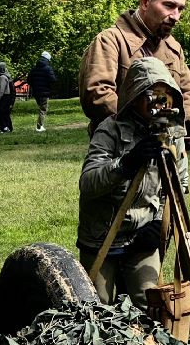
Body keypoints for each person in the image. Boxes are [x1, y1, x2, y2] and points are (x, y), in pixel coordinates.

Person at [79, 0, 190, 191]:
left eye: (180, 9)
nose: (176, 16)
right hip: (118, 159)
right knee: (116, 224)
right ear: (145, 2)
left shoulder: (174, 49)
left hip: (163, 161)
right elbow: (97, 94)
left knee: (161, 222)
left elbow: (189, 92)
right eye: (169, 6)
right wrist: (145, 124)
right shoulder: (110, 41)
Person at [77, 57, 183, 307]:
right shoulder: (110, 130)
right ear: (135, 95)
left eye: (165, 94)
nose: (160, 101)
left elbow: (178, 188)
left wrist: (159, 223)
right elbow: (88, 182)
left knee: (151, 303)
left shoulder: (172, 135)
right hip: (103, 236)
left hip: (143, 235)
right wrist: (126, 164)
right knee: (97, 306)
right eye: (152, 93)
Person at [28, 50, 57, 131]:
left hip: (36, 92)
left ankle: (40, 125)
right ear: (47, 59)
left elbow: (29, 80)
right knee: (43, 109)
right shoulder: (48, 68)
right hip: (45, 92)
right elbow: (53, 80)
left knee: (41, 108)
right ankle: (39, 126)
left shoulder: (34, 69)